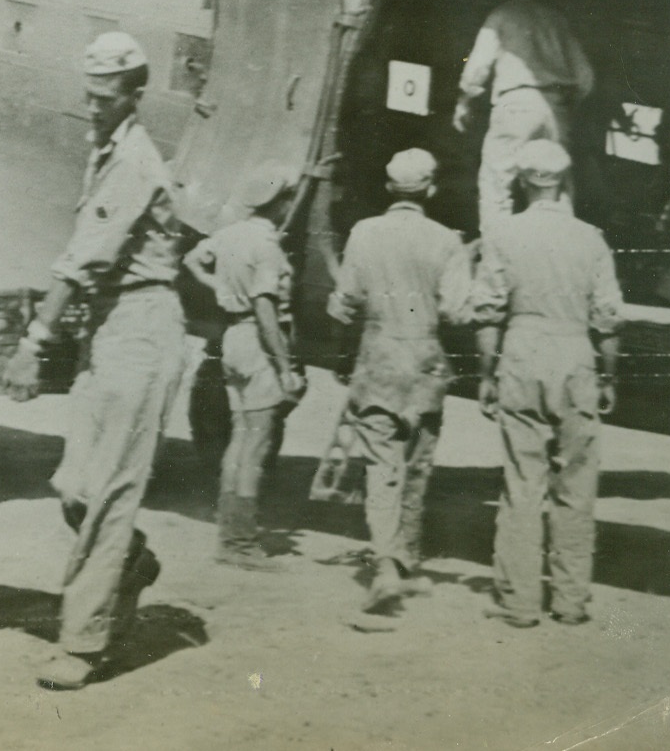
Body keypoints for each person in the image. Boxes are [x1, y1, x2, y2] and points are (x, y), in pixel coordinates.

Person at [4, 32, 186, 690]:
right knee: (74, 486)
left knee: (108, 490)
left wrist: (33, 344)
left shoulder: (134, 161)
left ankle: (84, 644)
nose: (94, 109)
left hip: (140, 325)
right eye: (88, 97)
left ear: (136, 96)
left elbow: (82, 259)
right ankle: (129, 566)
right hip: (107, 327)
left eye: (106, 99)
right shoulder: (105, 152)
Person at [470, 140, 623, 628]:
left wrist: (486, 375)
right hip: (576, 353)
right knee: (577, 484)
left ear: (522, 181)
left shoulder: (502, 235)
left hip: (521, 350)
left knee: (522, 483)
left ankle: (518, 602)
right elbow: (608, 320)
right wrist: (608, 376)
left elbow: (488, 313)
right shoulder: (591, 239)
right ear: (563, 179)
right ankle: (571, 600)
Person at [325, 149, 472, 621]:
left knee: (381, 468)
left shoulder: (364, 233)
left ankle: (387, 565)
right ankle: (405, 560)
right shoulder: (447, 241)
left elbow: (346, 301)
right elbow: (455, 311)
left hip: (380, 359)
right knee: (418, 467)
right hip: (427, 363)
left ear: (390, 189)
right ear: (431, 190)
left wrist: (345, 348)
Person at [184, 163, 306, 571]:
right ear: (279, 203)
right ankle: (240, 543)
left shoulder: (230, 234)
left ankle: (229, 533)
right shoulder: (267, 247)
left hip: (233, 339)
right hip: (258, 342)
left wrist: (219, 287)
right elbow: (266, 308)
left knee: (239, 442)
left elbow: (191, 260)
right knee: (255, 445)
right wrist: (285, 365)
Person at [453, 0, 595, 232]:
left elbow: (477, 68)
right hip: (555, 106)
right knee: (556, 182)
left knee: (497, 181)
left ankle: (495, 252)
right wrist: (565, 106)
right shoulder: (556, 19)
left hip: (515, 102)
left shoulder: (501, 15)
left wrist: (464, 101)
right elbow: (585, 77)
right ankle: (561, 246)